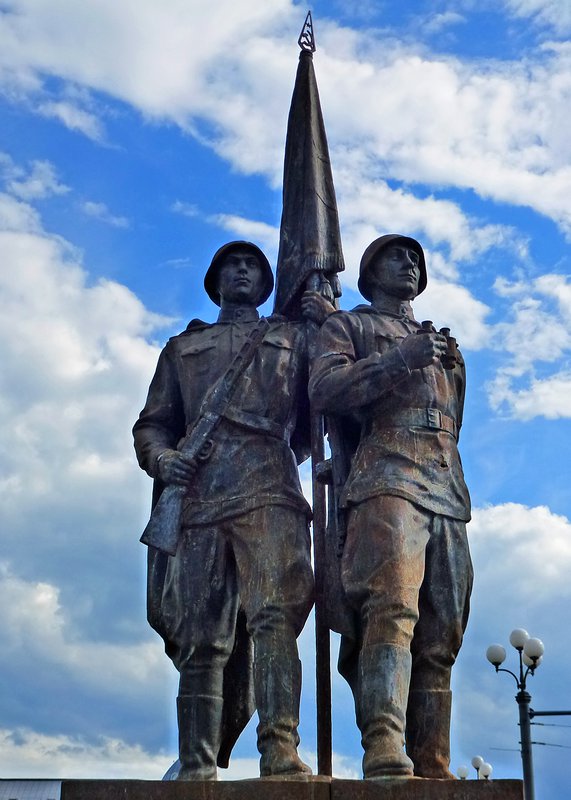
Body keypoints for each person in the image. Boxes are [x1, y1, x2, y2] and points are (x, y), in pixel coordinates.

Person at [133, 241, 329, 780]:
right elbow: (153, 423)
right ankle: (198, 763)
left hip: (270, 490)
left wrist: (327, 322)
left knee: (275, 621)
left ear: (267, 285)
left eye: (252, 266)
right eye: (231, 265)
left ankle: (280, 753)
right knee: (201, 637)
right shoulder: (182, 348)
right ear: (215, 279)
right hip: (197, 498)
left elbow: (322, 417)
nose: (241, 271)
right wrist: (163, 459)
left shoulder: (293, 340)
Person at [309, 234, 473, 779]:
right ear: (369, 271)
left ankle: (432, 760)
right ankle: (384, 744)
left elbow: (454, 421)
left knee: (443, 627)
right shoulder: (349, 326)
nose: (408, 263)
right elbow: (325, 390)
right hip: (386, 474)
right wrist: (400, 360)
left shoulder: (445, 346)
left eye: (415, 258)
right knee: (392, 610)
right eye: (395, 255)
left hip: (446, 486)